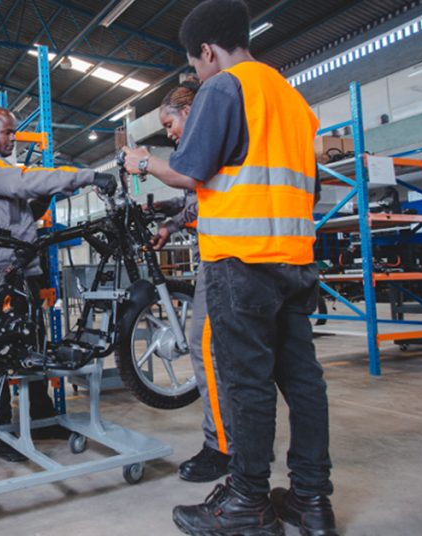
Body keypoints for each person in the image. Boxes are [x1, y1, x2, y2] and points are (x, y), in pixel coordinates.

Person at [122, 1, 336, 535]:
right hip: (295, 260)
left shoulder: (224, 87)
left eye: (195, 64)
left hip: (241, 263)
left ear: (209, 51)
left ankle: (247, 503)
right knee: (303, 382)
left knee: (247, 386)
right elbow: (312, 183)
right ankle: (311, 501)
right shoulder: (290, 97)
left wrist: (142, 162)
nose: (197, 75)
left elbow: (189, 172)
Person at [0, 105, 116, 462]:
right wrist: (85, 177)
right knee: (0, 351)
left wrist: (46, 197)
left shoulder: (3, 167)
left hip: (23, 267)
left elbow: (23, 212)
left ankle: (42, 416)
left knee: (35, 344)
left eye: (14, 132)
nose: (12, 138)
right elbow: (22, 183)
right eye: (5, 132)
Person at [150, 83, 234, 484]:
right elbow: (198, 199)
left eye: (169, 123)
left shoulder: (208, 134)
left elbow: (189, 181)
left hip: (227, 262)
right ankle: (245, 442)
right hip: (261, 259)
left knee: (205, 350)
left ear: (188, 112)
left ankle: (222, 447)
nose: (169, 133)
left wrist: (146, 163)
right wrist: (169, 220)